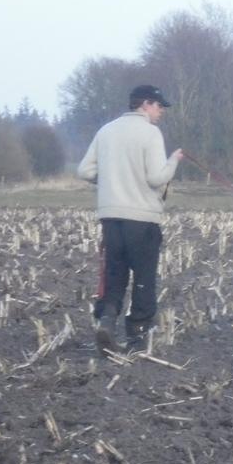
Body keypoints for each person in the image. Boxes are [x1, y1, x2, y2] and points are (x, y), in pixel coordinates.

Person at [77, 85, 183, 352]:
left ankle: (107, 321)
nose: (161, 112)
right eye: (159, 106)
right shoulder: (150, 133)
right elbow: (156, 178)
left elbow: (84, 171)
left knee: (115, 274)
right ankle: (137, 335)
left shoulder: (106, 130)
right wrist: (173, 161)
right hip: (142, 217)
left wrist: (112, 179)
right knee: (144, 276)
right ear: (145, 104)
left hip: (111, 217)